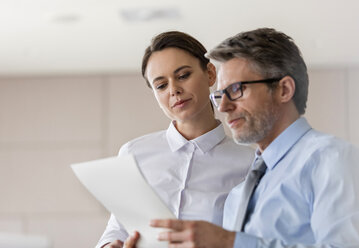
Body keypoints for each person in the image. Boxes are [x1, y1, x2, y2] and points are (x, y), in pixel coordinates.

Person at [125, 28, 359, 247]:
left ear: (284, 89)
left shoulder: (332, 161)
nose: (223, 107)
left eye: (236, 90)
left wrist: (229, 243)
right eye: (221, 94)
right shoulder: (241, 191)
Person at [95, 31, 254, 248]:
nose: (174, 90)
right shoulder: (133, 153)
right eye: (161, 85)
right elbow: (117, 229)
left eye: (183, 76)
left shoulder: (250, 163)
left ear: (209, 73)